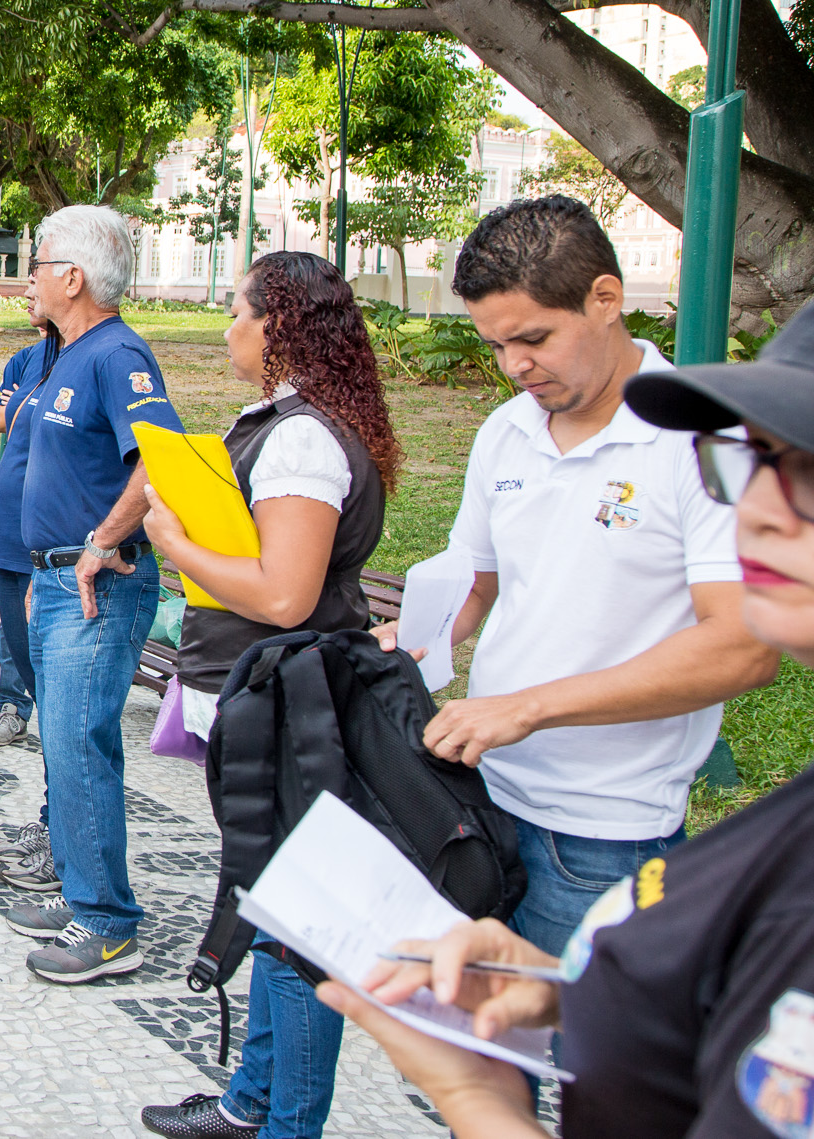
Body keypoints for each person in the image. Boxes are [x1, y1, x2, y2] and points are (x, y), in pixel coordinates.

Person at [315, 300, 814, 1139]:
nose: (757, 508)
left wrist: (479, 1104)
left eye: (804, 470)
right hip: (498, 798)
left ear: (604, 300)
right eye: (753, 460)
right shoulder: (782, 837)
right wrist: (563, 986)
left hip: (604, 818)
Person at [380, 196, 768, 957]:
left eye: (533, 338)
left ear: (606, 299)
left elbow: (745, 646)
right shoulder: (508, 430)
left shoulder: (707, 439)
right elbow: (479, 582)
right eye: (495, 345)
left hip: (603, 834)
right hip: (478, 798)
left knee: (583, 1065)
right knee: (478, 1051)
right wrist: (422, 632)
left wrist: (529, 707)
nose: (514, 366)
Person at [122, 252, 401, 1139]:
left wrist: (175, 539)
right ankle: (254, 1101)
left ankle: (287, 1120)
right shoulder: (290, 423)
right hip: (272, 697)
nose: (227, 328)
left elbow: (283, 593)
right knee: (276, 904)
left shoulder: (304, 438)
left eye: (237, 312)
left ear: (277, 325)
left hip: (296, 703)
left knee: (296, 923)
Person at [13, 203, 184, 983]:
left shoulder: (118, 354)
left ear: (72, 277)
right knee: (65, 745)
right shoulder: (67, 353)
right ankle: (82, 891)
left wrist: (100, 543)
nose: (31, 279)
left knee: (82, 747)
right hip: (55, 584)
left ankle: (109, 924)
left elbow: (161, 456)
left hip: (98, 589)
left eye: (40, 265)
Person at [0, 302, 60, 748]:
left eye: (35, 281)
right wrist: (18, 411)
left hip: (57, 525)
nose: (28, 293)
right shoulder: (24, 359)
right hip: (13, 514)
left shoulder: (91, 356)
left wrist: (22, 409)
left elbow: (24, 417)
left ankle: (56, 714)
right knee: (13, 616)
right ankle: (13, 706)